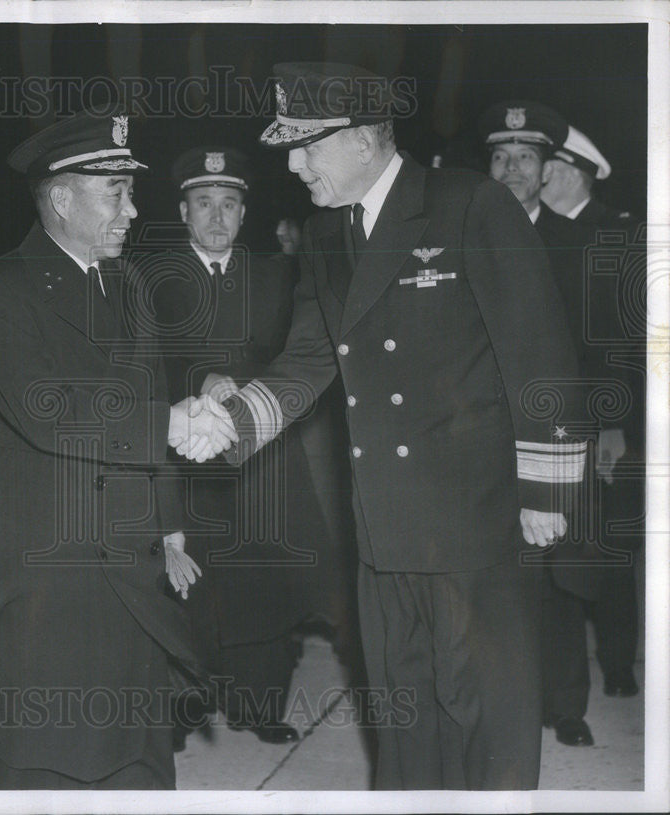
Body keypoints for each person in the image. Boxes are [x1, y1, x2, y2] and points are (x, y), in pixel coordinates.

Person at [193, 62, 585, 789]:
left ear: (365, 141)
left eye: (307, 145)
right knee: (405, 714)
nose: (293, 163)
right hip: (381, 522)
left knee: (482, 713)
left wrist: (546, 492)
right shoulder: (324, 233)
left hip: (474, 517)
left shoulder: (469, 203)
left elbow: (539, 348)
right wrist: (234, 421)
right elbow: (309, 356)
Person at [0, 109, 230, 790]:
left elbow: (152, 385)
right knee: (48, 754)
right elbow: (51, 413)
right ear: (63, 196)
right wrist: (165, 423)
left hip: (129, 558)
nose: (133, 210)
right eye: (116, 193)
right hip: (45, 561)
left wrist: (168, 529)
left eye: (131, 192)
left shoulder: (128, 284)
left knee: (137, 750)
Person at [148, 147, 345, 744]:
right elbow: (142, 362)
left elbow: (299, 356)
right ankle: (182, 708)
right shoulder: (149, 279)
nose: (216, 217)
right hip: (187, 454)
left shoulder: (275, 274)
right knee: (188, 582)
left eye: (228, 205)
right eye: (203, 204)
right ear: (183, 211)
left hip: (261, 452)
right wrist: (198, 381)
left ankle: (259, 704)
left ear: (243, 213)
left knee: (264, 576)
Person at [479, 100, 604, 747]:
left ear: (545, 167)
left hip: (561, 436)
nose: (511, 170)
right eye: (499, 158)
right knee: (502, 576)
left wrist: (609, 428)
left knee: (562, 574)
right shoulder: (464, 241)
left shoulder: (577, 242)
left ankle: (566, 704)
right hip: (488, 437)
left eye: (525, 158)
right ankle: (510, 701)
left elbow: (606, 345)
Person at [542, 123, 644, 699]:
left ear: (578, 173)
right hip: (552, 416)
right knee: (555, 544)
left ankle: (617, 663)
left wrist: (615, 423)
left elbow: (634, 341)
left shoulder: (620, 234)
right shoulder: (532, 234)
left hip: (606, 419)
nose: (535, 179)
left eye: (547, 169)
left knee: (609, 546)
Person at [540, 125, 637, 229]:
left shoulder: (618, 229)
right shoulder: (535, 226)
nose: (533, 178)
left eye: (545, 171)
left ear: (570, 179)